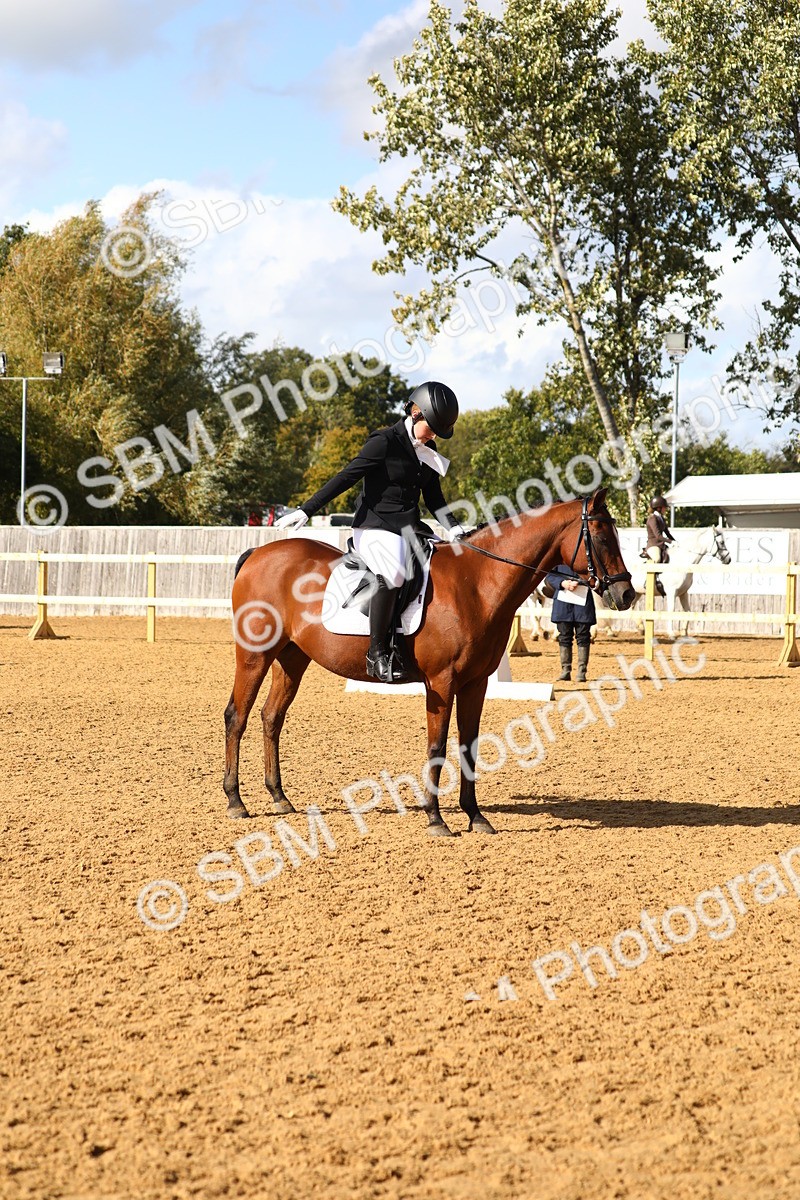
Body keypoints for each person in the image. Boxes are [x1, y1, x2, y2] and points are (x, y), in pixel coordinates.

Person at [276, 381, 466, 682]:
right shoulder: (384, 441)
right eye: (431, 427)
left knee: (442, 563)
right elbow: (346, 477)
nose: (432, 436)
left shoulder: (428, 448)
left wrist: (454, 528)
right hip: (375, 525)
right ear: (416, 413)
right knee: (393, 573)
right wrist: (307, 509)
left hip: (409, 527)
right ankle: (378, 652)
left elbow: (434, 498)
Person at [544, 563, 596, 683]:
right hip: (563, 601)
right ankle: (565, 671)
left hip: (583, 600)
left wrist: (582, 582)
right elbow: (549, 575)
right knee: (564, 637)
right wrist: (563, 583)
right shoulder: (559, 558)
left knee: (583, 637)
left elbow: (595, 576)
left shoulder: (588, 557)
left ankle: (581, 672)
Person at [644, 495, 675, 597]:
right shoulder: (652, 519)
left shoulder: (661, 518)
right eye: (664, 507)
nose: (666, 509)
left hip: (661, 545)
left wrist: (675, 542)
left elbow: (667, 532)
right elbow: (658, 536)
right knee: (657, 558)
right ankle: (648, 581)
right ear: (659, 507)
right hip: (653, 545)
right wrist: (670, 542)